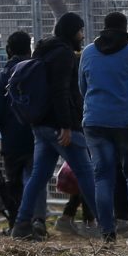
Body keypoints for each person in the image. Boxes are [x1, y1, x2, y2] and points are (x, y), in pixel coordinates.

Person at [12, 13, 99, 240]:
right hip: (60, 127)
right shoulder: (64, 54)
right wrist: (66, 126)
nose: (82, 35)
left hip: (41, 125)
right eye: (80, 30)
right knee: (86, 174)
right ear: (72, 32)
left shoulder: (44, 51)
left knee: (39, 176)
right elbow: (60, 92)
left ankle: (21, 224)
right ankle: (106, 225)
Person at [79, 12, 128, 245]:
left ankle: (107, 234)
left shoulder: (88, 52)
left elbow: (82, 86)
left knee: (102, 176)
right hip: (127, 122)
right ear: (125, 30)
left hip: (95, 121)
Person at [0, 31, 47, 236]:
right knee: (36, 177)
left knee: (15, 182)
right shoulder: (39, 70)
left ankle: (17, 224)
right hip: (37, 133)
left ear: (8, 50)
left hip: (12, 138)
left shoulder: (2, 76)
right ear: (29, 49)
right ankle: (38, 221)